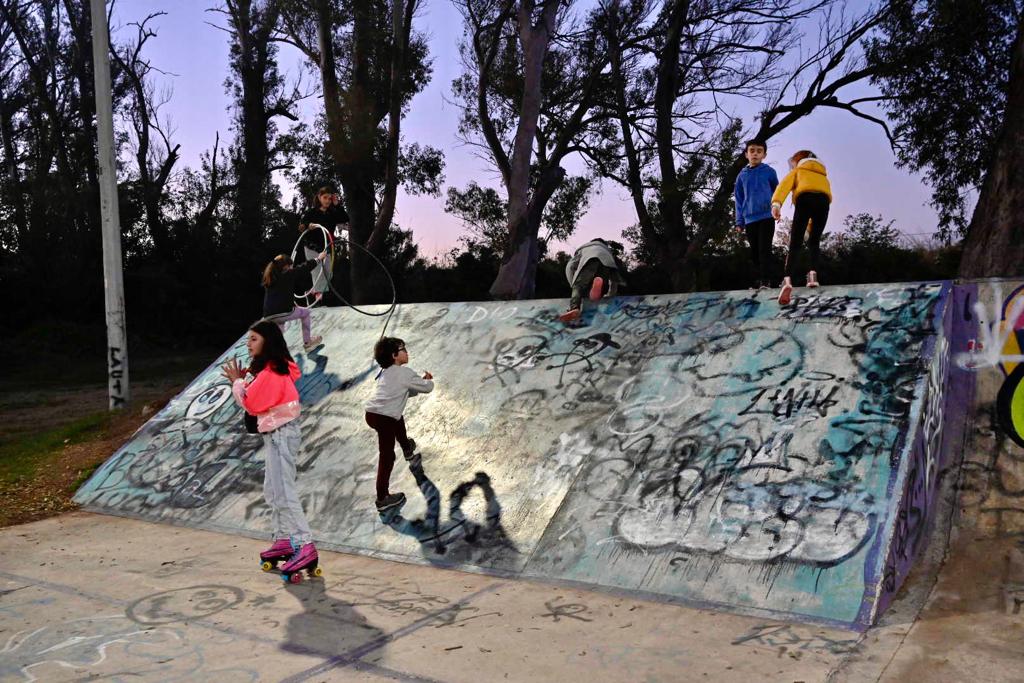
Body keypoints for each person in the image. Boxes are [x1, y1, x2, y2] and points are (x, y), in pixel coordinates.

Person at [221, 321, 319, 582]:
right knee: (273, 489)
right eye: (248, 339)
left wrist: (237, 382)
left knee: (284, 491)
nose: (248, 343)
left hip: (281, 434)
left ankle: (304, 544)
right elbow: (257, 393)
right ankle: (284, 539)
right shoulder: (271, 369)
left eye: (254, 339)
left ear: (267, 341)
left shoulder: (273, 371)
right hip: (277, 434)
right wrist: (245, 379)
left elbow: (251, 403)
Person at [365, 337, 434, 512]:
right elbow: (427, 388)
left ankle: (407, 449)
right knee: (387, 456)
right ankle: (382, 498)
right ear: (394, 355)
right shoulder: (404, 373)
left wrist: (418, 382)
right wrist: (428, 380)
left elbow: (404, 392)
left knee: (398, 417)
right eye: (403, 349)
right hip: (384, 418)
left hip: (373, 414)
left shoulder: (385, 372)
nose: (406, 351)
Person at [771, 150, 833, 306]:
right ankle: (813, 276)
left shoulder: (799, 171)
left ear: (797, 161)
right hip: (824, 202)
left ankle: (787, 279)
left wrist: (776, 204)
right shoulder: (823, 177)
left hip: (804, 199)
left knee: (795, 242)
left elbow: (783, 186)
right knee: (814, 241)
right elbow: (821, 201)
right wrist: (809, 227)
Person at [734, 139, 780, 289]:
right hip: (749, 219)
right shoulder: (741, 176)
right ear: (746, 154)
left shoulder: (769, 172)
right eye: (752, 151)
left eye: (759, 151)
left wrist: (777, 209)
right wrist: (739, 221)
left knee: (764, 249)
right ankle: (758, 281)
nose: (755, 154)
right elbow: (739, 200)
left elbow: (778, 192)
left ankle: (767, 281)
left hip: (766, 216)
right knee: (754, 252)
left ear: (764, 155)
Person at [262, 253, 327, 353]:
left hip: (269, 315)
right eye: (290, 266)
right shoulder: (288, 274)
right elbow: (304, 268)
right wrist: (318, 258)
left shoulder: (270, 278)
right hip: (283, 312)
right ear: (285, 266)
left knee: (279, 329)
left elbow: (279, 295)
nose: (292, 268)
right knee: (305, 314)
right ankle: (308, 343)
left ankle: (270, 352)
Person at [558, 238, 626, 323]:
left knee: (579, 286)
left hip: (589, 261)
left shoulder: (585, 248)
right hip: (606, 265)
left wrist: (573, 284)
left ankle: (574, 308)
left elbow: (570, 266)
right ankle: (597, 291)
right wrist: (610, 294)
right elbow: (614, 279)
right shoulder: (608, 252)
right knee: (601, 287)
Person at [298, 186, 350, 298]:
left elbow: (345, 218)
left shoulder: (332, 213)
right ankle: (318, 294)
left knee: (328, 273)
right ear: (319, 197)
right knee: (317, 270)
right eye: (325, 197)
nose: (327, 200)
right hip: (311, 246)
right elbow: (301, 227)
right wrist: (308, 225)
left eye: (330, 198)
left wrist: (337, 204)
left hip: (326, 247)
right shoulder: (312, 212)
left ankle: (315, 289)